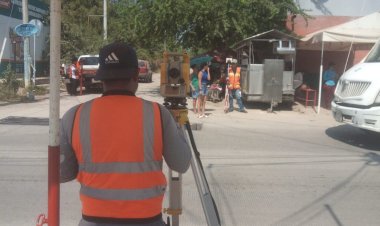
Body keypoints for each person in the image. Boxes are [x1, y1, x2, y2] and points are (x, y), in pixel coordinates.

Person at [60, 42, 192, 226]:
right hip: (148, 221)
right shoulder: (158, 115)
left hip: (93, 220)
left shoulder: (74, 116)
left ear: (101, 77)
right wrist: (178, 126)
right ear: (137, 75)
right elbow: (182, 163)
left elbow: (62, 174)